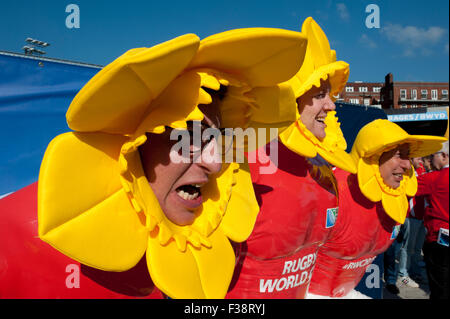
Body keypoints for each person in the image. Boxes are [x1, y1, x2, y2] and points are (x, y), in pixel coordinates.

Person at [0, 29, 308, 298]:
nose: (216, 164)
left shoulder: (214, 239)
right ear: (136, 141)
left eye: (218, 139)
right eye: (189, 136)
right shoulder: (13, 242)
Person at [226, 17, 356, 299]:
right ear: (292, 99)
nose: (332, 105)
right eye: (320, 94)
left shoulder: (322, 167)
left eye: (331, 95)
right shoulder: (247, 158)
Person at [306, 119, 446, 298]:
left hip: (346, 292)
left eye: (407, 156)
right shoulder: (333, 191)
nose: (407, 165)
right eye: (398, 155)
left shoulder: (395, 199)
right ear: (372, 157)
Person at [416, 141, 449, 299]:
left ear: (444, 156)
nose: (430, 160)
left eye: (432, 156)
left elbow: (405, 187)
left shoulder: (435, 178)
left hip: (439, 238)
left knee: (439, 287)